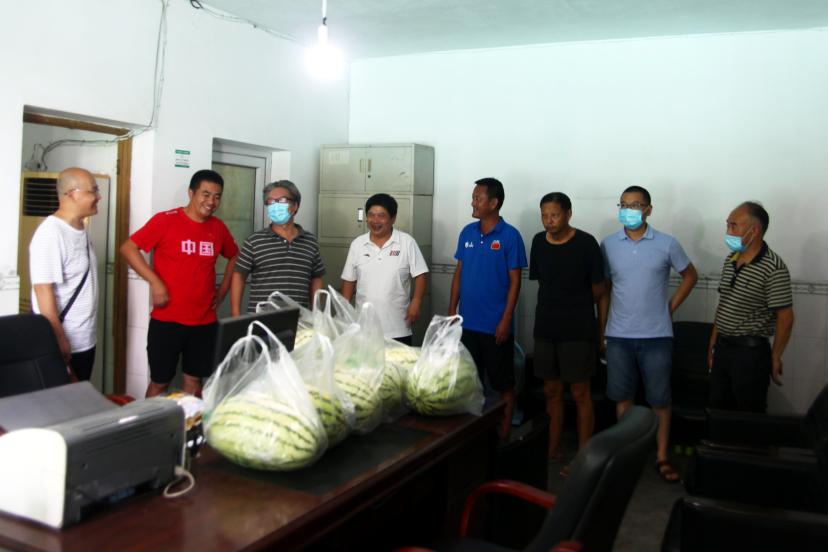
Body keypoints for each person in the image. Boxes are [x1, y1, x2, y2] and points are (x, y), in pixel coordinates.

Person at [599, 185, 698, 483]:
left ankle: (661, 456)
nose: (628, 211)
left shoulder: (667, 243)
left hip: (657, 336)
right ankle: (624, 455)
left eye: (635, 205)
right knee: (622, 398)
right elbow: (604, 289)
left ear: (649, 210)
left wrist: (670, 307)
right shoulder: (608, 244)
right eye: (624, 205)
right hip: (618, 336)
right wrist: (602, 329)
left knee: (659, 400)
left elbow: (690, 275)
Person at [121, 169, 238, 397]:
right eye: (206, 194)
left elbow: (235, 255)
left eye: (217, 196)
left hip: (204, 322)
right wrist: (155, 282)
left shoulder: (218, 227)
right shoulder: (165, 221)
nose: (211, 202)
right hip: (167, 321)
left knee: (194, 381)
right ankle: (151, 421)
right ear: (191, 193)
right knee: (160, 382)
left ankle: (191, 421)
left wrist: (222, 291)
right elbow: (128, 248)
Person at [529, 192, 606, 470]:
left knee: (580, 393)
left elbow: (599, 290)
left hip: (578, 329)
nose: (549, 221)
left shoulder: (586, 243)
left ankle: (583, 456)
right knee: (551, 391)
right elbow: (543, 283)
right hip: (546, 327)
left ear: (568, 214)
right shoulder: (538, 242)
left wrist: (598, 329)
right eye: (544, 215)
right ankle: (552, 449)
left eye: (555, 215)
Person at [449, 177, 527, 439]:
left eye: (477, 198)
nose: (472, 203)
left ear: (494, 203)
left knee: (503, 384)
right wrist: (452, 311)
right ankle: (475, 435)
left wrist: (506, 320)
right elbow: (459, 274)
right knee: (471, 382)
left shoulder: (510, 236)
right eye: (473, 198)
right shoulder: (467, 233)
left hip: (495, 327)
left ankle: (503, 437)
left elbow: (515, 282)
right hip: (467, 323)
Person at [707, 201, 794, 413]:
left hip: (750, 353)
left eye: (734, 225)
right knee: (718, 409)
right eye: (727, 225)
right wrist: (713, 343)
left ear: (754, 231)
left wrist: (775, 356)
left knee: (748, 413)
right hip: (723, 348)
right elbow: (724, 303)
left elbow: (786, 316)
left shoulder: (773, 267)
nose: (728, 231)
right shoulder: (731, 260)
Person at [29, 167, 101, 381]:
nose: (98, 196)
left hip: (84, 339)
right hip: (64, 343)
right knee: (64, 400)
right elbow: (43, 290)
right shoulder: (51, 234)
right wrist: (58, 339)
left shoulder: (79, 229)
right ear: (72, 194)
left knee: (81, 396)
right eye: (93, 191)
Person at [340, 193, 428, 344]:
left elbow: (420, 275)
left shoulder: (406, 242)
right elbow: (349, 280)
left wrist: (416, 302)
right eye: (371, 215)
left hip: (398, 327)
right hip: (364, 328)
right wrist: (344, 313)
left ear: (393, 218)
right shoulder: (358, 244)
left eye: (381, 216)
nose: (375, 221)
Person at [231, 180, 324, 315]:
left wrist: (316, 313)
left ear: (295, 206)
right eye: (271, 202)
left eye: (282, 200)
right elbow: (239, 276)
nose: (276, 205)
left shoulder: (310, 241)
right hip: (261, 320)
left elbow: (316, 278)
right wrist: (236, 314)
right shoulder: (254, 241)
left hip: (300, 319)